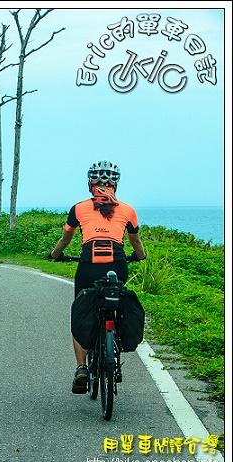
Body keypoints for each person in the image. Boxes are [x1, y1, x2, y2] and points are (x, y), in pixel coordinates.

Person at [48, 160, 147, 394]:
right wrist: (139, 256)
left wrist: (55, 255)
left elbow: (65, 240)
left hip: (88, 266)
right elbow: (136, 242)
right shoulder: (128, 210)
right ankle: (113, 339)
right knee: (114, 303)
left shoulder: (78, 209)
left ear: (90, 184)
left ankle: (81, 367)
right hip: (118, 265)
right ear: (115, 185)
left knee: (81, 311)